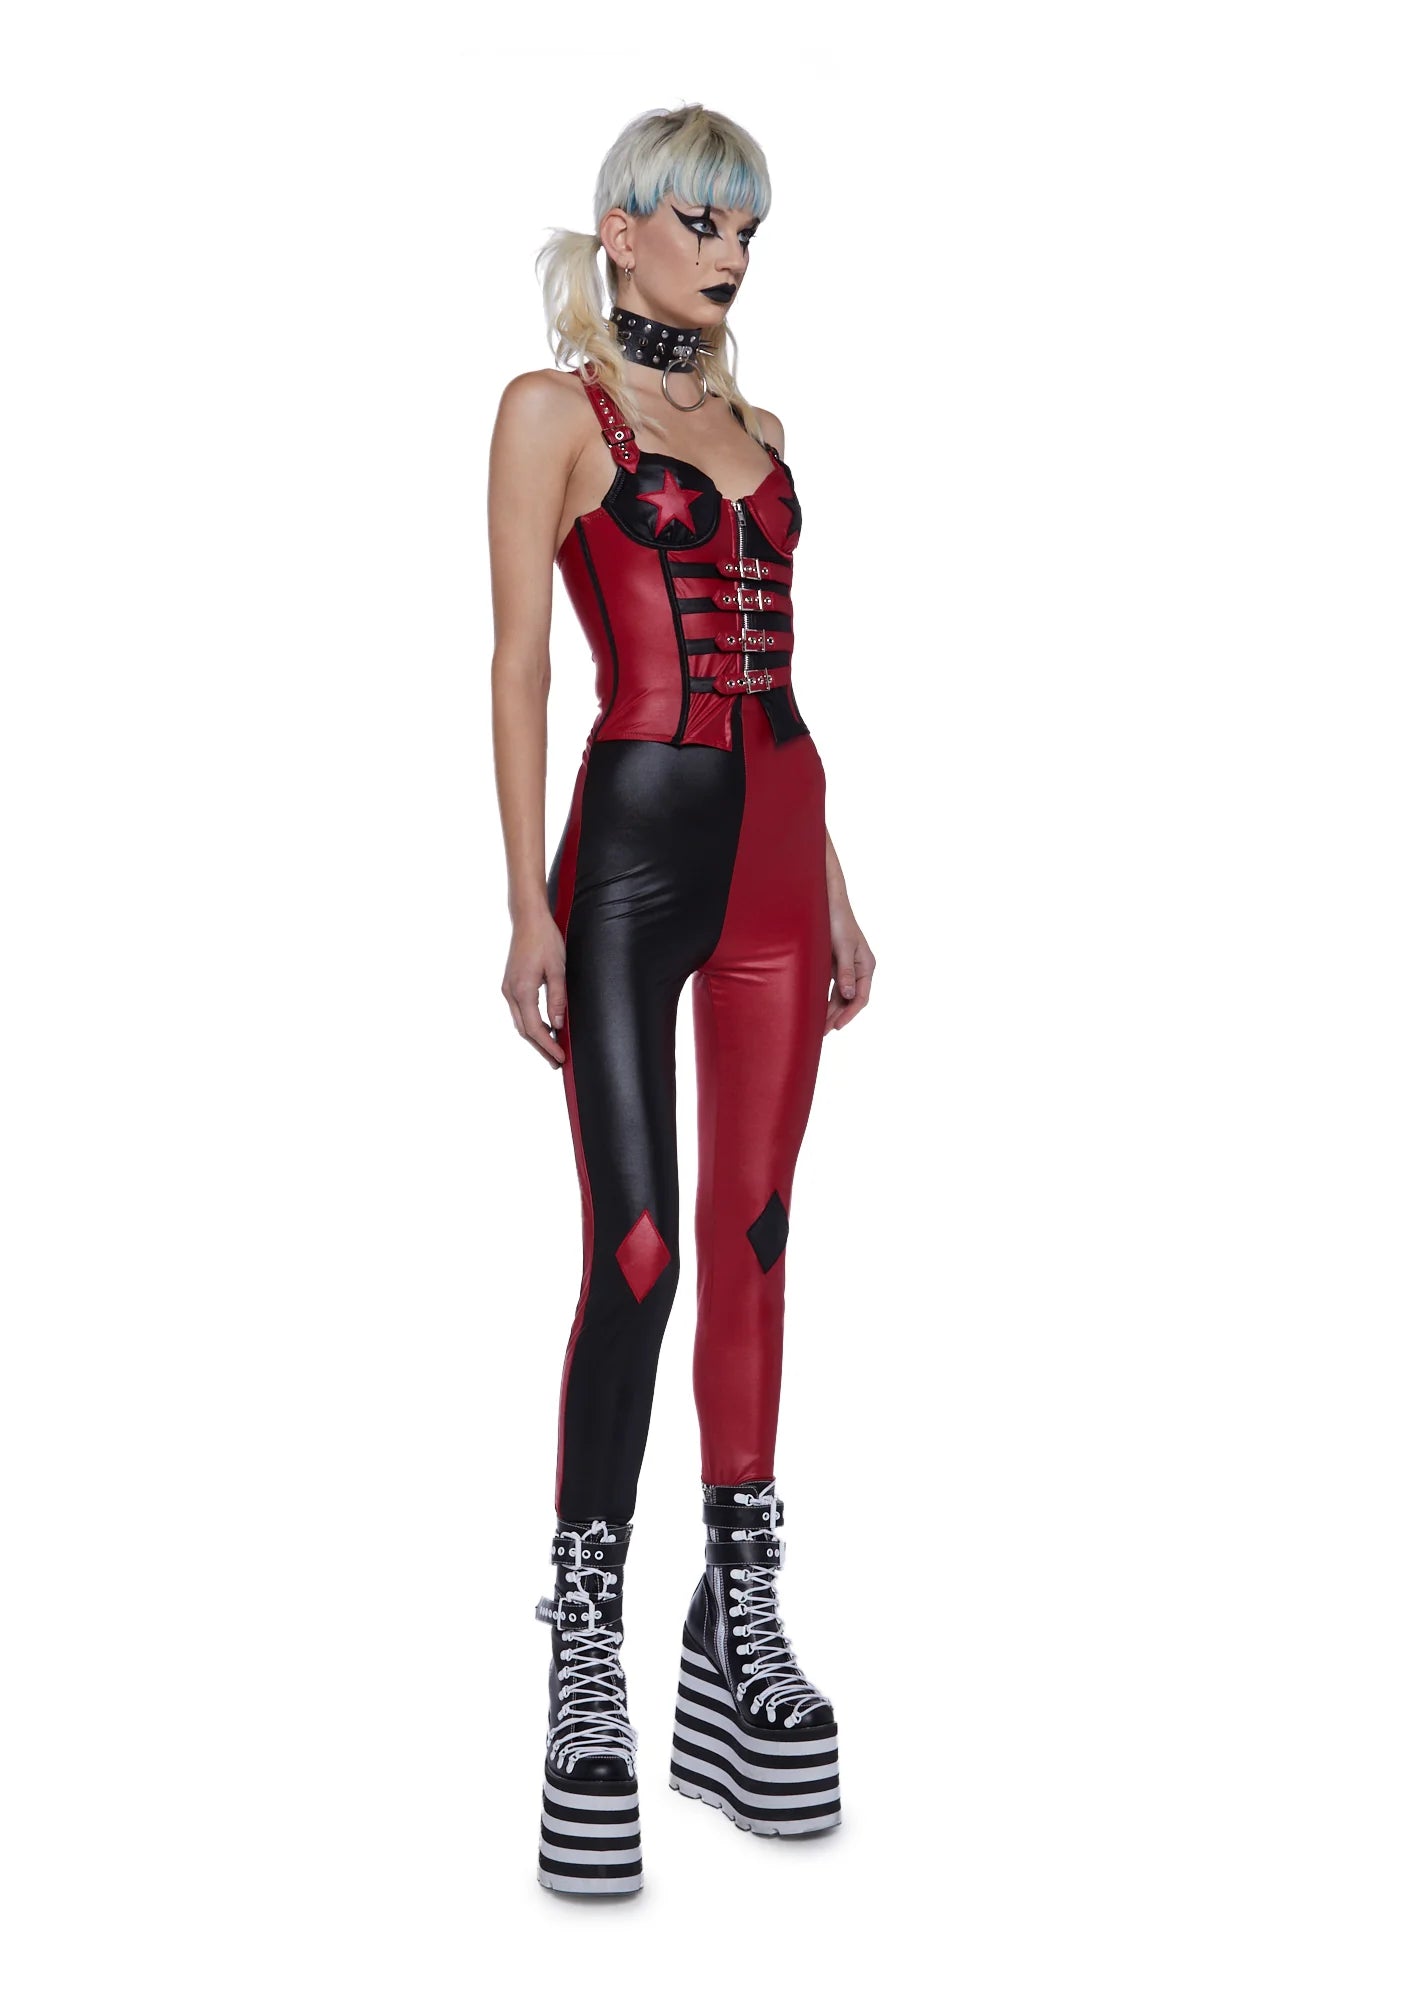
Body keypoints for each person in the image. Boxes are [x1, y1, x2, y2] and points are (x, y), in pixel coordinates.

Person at [488, 103, 876, 1895]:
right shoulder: (550, 415)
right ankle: (584, 1646)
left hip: (779, 855)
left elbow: (783, 682)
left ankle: (736, 1617)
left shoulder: (761, 432)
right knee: (636, 1248)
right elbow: (518, 663)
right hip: (634, 852)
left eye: (746, 227)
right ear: (622, 229)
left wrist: (837, 887)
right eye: (701, 219)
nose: (728, 251)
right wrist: (525, 902)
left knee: (757, 1235)